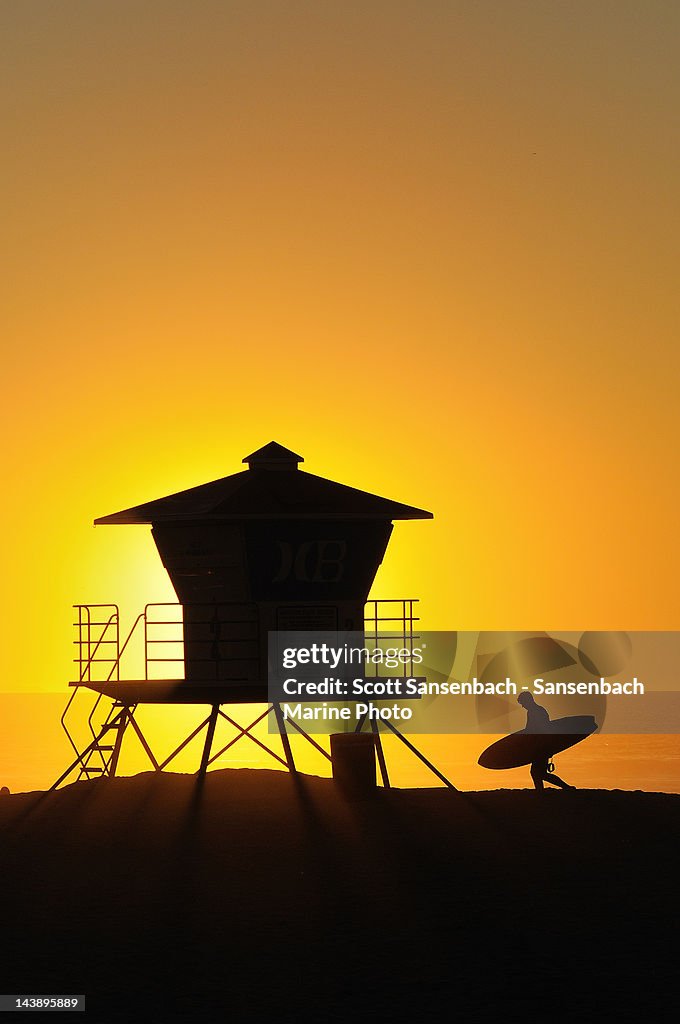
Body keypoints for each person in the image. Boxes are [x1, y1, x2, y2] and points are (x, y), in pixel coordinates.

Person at [517, 692, 574, 791]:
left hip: (542, 747)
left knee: (538, 773)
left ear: (528, 700)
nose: (522, 706)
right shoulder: (535, 711)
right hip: (540, 747)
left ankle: (565, 788)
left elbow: (538, 730)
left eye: (523, 703)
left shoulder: (537, 711)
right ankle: (541, 791)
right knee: (538, 773)